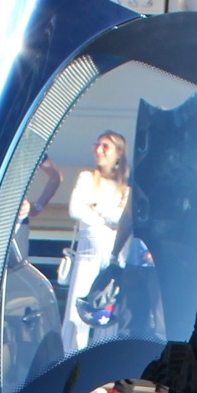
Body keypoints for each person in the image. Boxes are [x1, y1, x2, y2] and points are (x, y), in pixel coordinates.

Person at [61, 131, 131, 353]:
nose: (98, 150)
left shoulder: (126, 188)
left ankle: (101, 367)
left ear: (118, 153)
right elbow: (76, 208)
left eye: (105, 146)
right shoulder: (87, 178)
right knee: (78, 310)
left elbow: (124, 219)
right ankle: (69, 362)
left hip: (113, 255)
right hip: (89, 253)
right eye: (97, 145)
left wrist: (96, 208)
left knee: (107, 312)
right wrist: (104, 218)